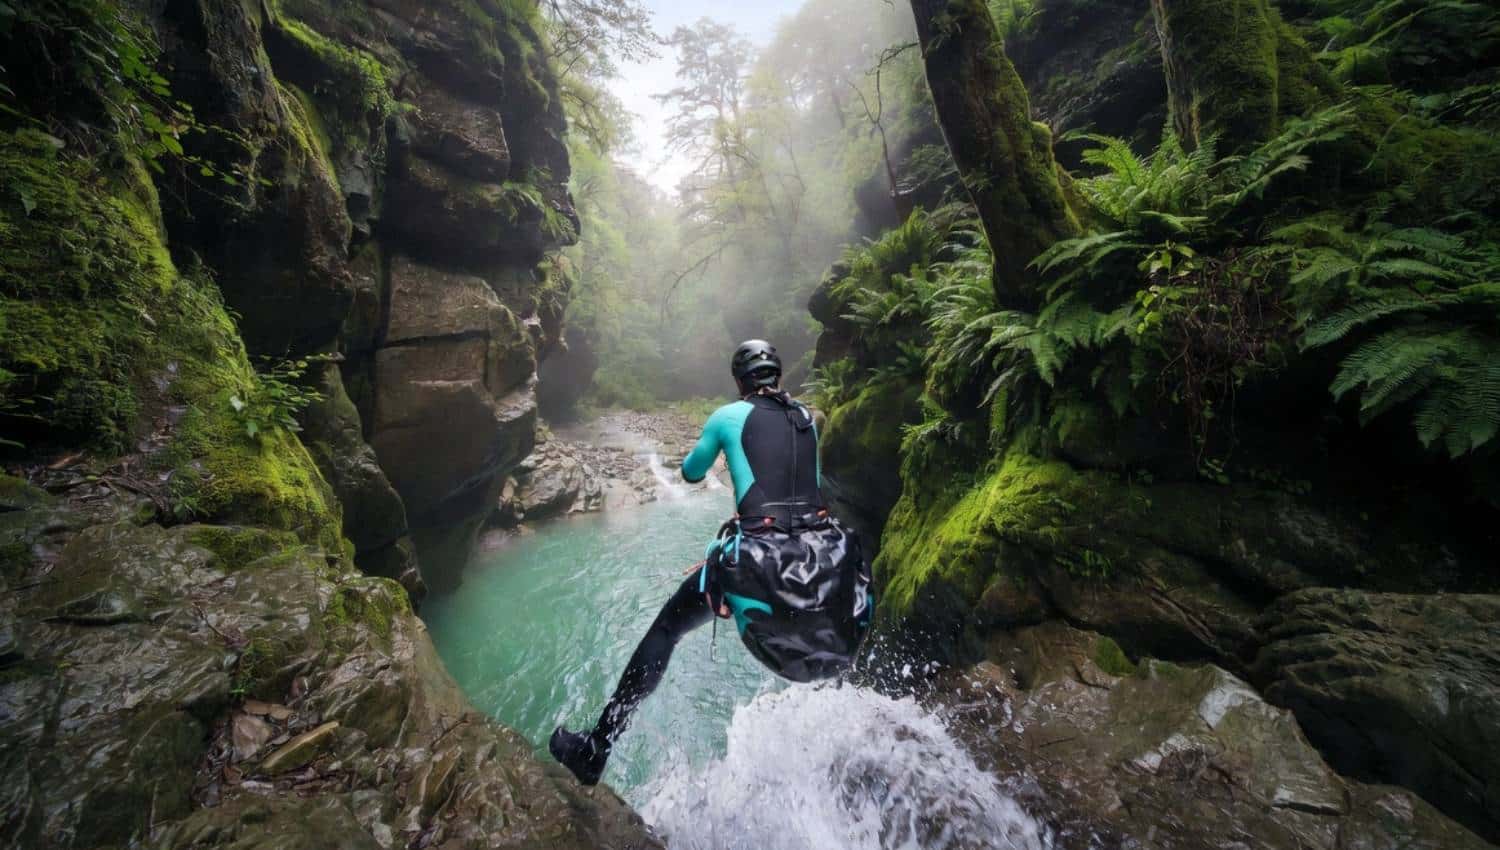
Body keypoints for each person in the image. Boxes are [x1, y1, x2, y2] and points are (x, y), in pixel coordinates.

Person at [548, 339, 872, 785]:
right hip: (823, 562)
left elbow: (691, 473)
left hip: (759, 563)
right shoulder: (806, 420)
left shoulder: (726, 416)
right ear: (778, 375)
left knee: (667, 628)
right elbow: (808, 491)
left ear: (740, 381)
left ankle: (596, 748)